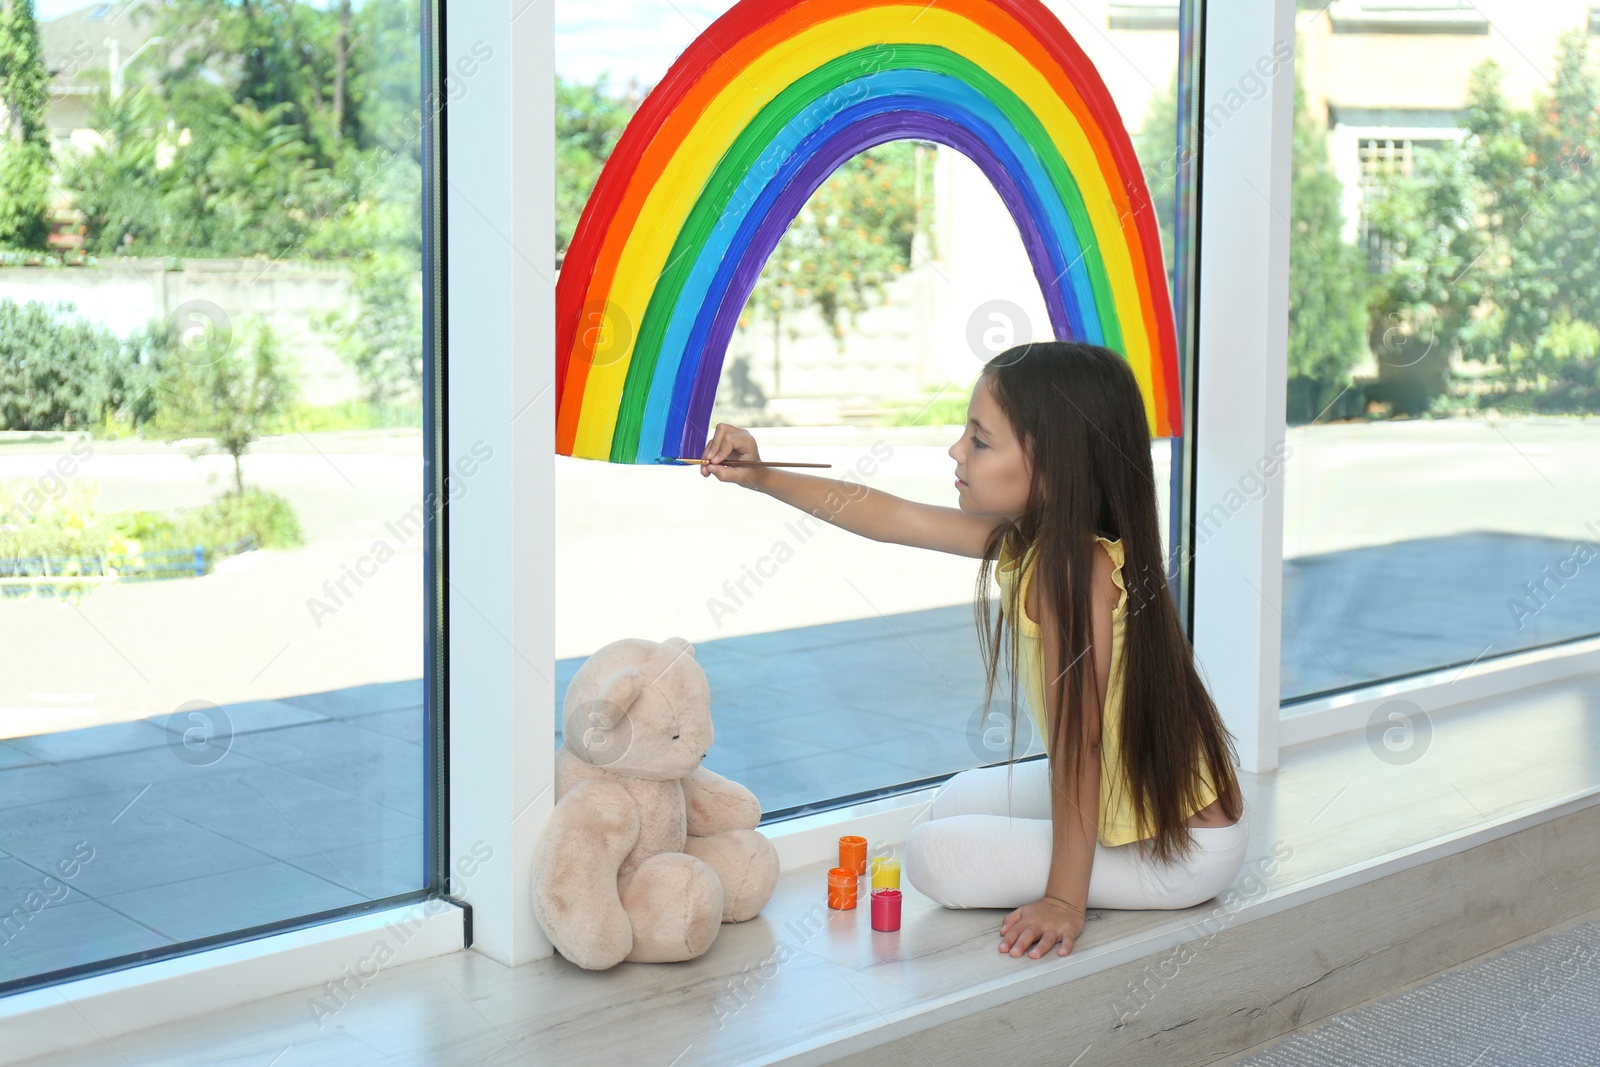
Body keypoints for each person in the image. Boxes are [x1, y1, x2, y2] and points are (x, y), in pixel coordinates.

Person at [700, 341, 1248, 961]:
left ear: (1053, 466)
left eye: (981, 441)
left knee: (932, 859)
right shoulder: (1036, 540)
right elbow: (892, 517)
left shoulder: (1072, 573)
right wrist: (762, 475)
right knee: (955, 801)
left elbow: (1079, 745)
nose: (957, 451)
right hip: (1146, 792)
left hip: (1187, 849)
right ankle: (1058, 847)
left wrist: (1065, 900)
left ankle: (1070, 860)